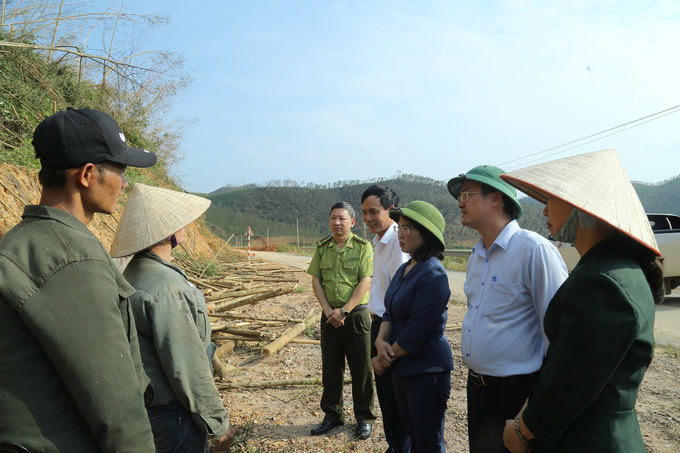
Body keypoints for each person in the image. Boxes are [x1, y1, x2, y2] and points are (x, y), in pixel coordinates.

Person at [0, 108, 157, 452]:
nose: (125, 183)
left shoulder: (18, 242)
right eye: (120, 170)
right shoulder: (71, 259)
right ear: (87, 174)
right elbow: (117, 408)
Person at [500, 149, 664, 453]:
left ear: (583, 209)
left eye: (551, 200)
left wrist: (520, 431)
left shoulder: (600, 282)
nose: (545, 211)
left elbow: (568, 384)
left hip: (590, 440)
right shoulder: (617, 267)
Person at [447, 165, 568, 453]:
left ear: (495, 198)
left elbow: (561, 334)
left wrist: (533, 407)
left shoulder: (533, 250)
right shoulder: (477, 255)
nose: (460, 202)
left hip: (518, 393)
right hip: (478, 387)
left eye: (466, 194)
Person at [110, 183, 236, 453]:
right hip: (171, 414)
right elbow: (187, 367)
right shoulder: (168, 288)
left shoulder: (132, 274)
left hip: (145, 407)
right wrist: (218, 426)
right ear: (170, 233)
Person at [373, 200, 454, 453]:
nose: (401, 233)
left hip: (426, 370)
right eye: (400, 227)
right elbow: (389, 310)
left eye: (408, 228)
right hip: (402, 366)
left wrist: (384, 359)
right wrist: (379, 341)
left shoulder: (433, 274)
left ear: (427, 235)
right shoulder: (405, 268)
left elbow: (418, 329)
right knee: (409, 432)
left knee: (427, 441)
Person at [307, 201, 376, 440]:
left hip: (355, 316)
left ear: (352, 222)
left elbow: (365, 281)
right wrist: (328, 311)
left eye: (342, 218)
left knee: (362, 370)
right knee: (331, 368)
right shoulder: (322, 247)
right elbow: (316, 280)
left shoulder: (363, 247)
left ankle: (365, 418)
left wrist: (344, 311)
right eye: (333, 218)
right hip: (329, 316)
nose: (336, 222)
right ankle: (333, 416)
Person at [361, 184, 410, 453]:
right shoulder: (380, 241)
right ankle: (396, 444)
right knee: (386, 395)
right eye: (364, 212)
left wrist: (384, 337)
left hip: (391, 326)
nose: (368, 218)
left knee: (396, 397)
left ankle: (402, 446)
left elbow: (400, 297)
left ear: (390, 210)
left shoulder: (397, 243)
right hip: (378, 324)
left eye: (373, 212)